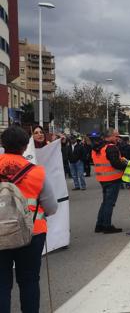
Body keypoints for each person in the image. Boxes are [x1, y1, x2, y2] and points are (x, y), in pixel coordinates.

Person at [0, 125, 58, 313]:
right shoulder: (37, 172)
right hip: (32, 232)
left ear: (2, 144)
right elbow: (51, 207)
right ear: (26, 146)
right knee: (29, 281)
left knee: (1, 283)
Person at [92, 129, 127, 234]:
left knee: (105, 202)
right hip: (113, 179)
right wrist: (126, 165)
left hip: (102, 179)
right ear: (110, 136)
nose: (118, 138)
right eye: (116, 136)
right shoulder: (111, 147)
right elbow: (115, 164)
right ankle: (107, 226)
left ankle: (99, 225)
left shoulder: (97, 148)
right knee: (109, 203)